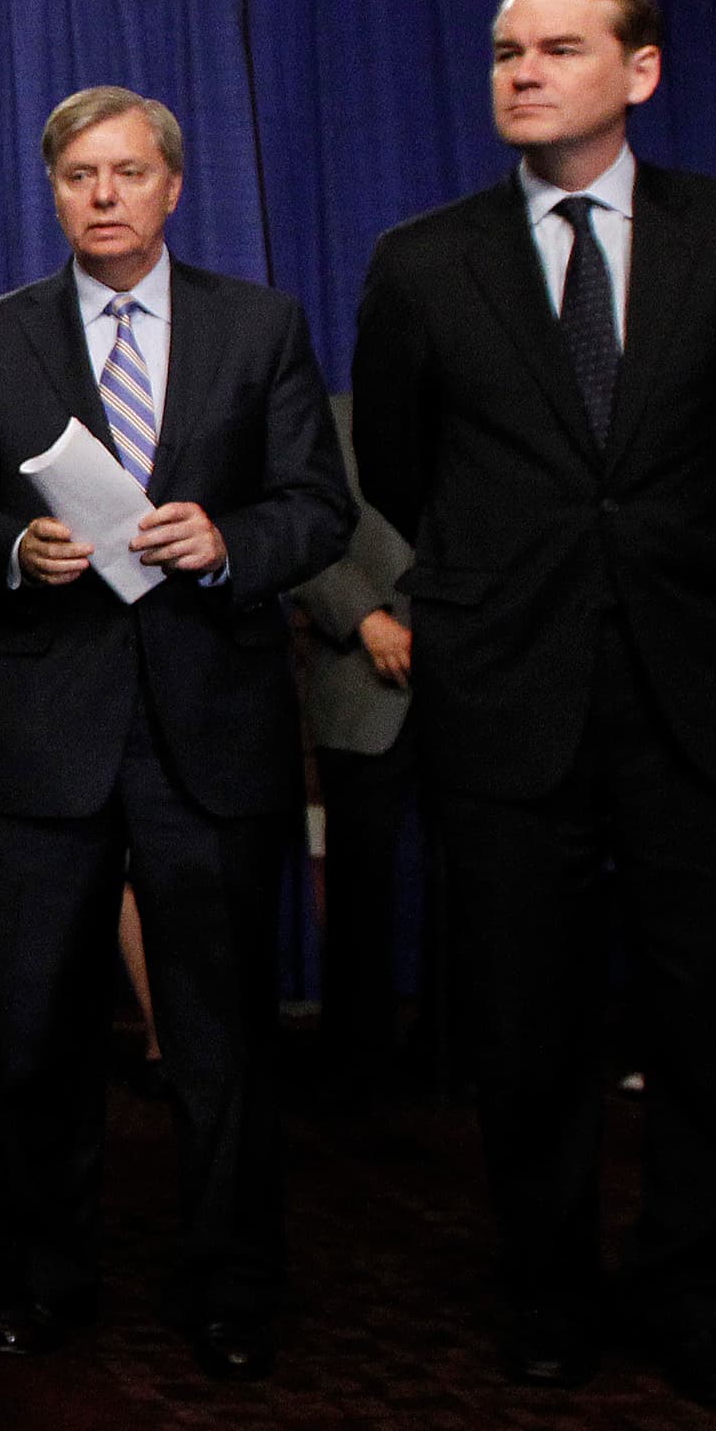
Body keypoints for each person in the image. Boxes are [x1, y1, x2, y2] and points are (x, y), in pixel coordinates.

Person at [354, 0, 716, 1410]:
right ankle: (548, 1291)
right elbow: (404, 471)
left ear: (644, 72)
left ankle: (699, 1295)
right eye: (505, 49)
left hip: (701, 686)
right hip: (509, 694)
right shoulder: (423, 259)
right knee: (530, 1023)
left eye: (559, 47)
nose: (522, 70)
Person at [0, 85, 349, 1384]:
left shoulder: (257, 326)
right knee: (40, 1030)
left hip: (212, 723)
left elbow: (318, 504)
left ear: (171, 186)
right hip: (48, 732)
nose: (102, 193)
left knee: (221, 1034)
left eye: (126, 171)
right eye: (77, 176)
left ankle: (232, 1284)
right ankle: (45, 1276)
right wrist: (12, 546)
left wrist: (233, 542)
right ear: (53, 194)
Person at [289, 390, 427, 1105]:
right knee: (359, 880)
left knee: (484, 878)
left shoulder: (503, 410)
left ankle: (465, 1048)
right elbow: (301, 530)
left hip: (483, 682)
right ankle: (358, 1057)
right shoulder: (333, 419)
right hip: (362, 675)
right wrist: (366, 617)